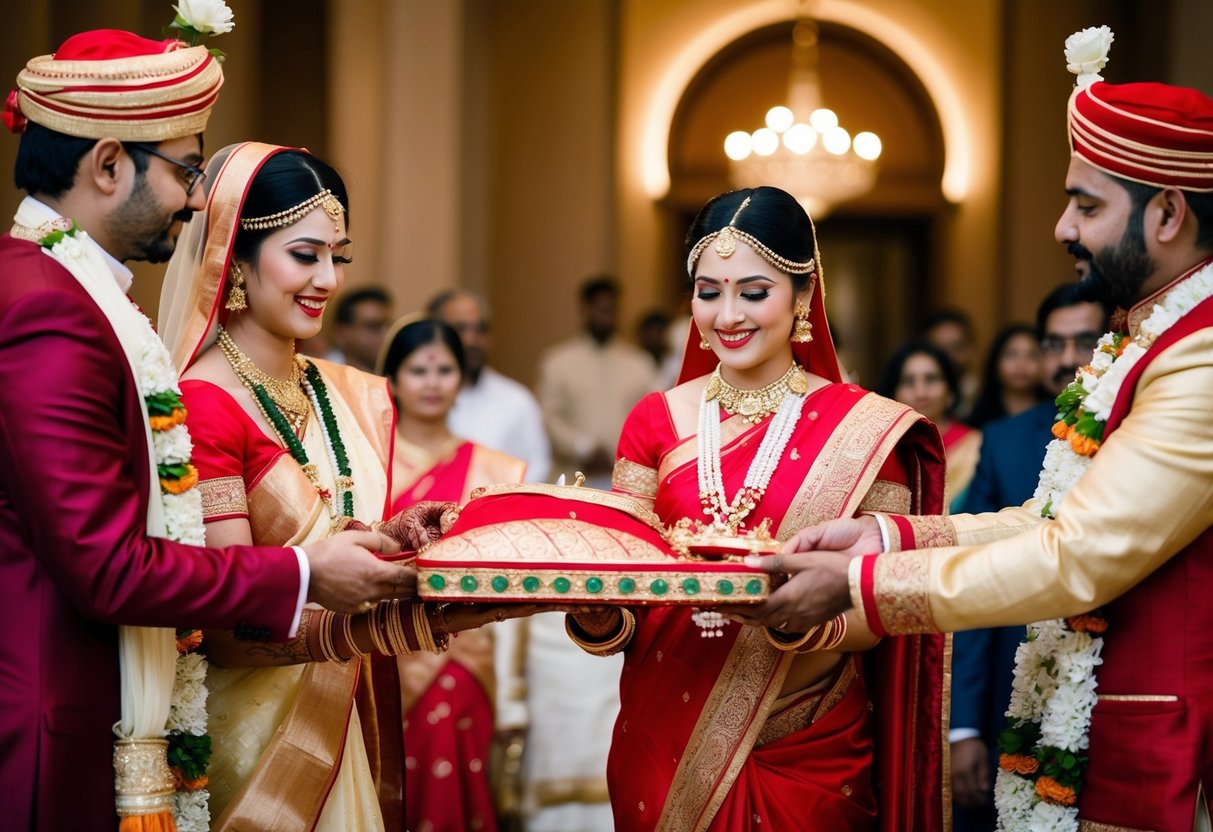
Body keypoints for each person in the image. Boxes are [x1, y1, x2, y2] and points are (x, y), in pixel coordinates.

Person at [752, 32, 1213, 830]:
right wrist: (887, 541)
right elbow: (1044, 524)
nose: (1063, 228)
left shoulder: (1200, 357)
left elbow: (1076, 557)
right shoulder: (1145, 338)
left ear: (1167, 213)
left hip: (1171, 749)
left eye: (1086, 204)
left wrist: (861, 590)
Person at [0, 28, 415, 830]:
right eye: (188, 169)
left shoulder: (79, 296)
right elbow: (105, 569)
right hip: (56, 728)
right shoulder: (49, 307)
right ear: (109, 162)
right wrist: (304, 573)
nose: (198, 199)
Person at [569, 186, 949, 830]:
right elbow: (624, 588)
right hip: (666, 740)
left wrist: (791, 615)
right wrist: (595, 605)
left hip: (811, 746)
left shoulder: (862, 429)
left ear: (803, 296)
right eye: (708, 290)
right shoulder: (654, 420)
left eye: (753, 291)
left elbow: (879, 603)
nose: (727, 315)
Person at [160, 142, 507, 830]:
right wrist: (408, 615)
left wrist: (401, 544)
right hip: (257, 753)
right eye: (305, 254)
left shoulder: (335, 389)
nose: (328, 278)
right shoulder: (204, 404)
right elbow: (224, 628)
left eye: (338, 257)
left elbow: (332, 537)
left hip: (344, 718)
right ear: (236, 254)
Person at [949, 285, 1108, 830]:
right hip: (1018, 684)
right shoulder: (1005, 442)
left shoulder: (1141, 431)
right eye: (1053, 344)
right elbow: (974, 575)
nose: (1066, 359)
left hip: (1117, 690)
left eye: (1083, 341)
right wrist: (964, 726)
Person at [379, 316, 526, 832]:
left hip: (463, 652)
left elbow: (514, 583)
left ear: (462, 378)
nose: (433, 382)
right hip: (379, 652)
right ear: (392, 380)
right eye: (419, 370)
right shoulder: (372, 465)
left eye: (445, 369)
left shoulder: (495, 470)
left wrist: (514, 690)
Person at [538, 275, 658, 487]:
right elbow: (549, 418)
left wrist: (618, 451)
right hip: (573, 479)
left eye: (610, 309)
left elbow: (652, 418)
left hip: (627, 481)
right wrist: (583, 447)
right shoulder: (557, 362)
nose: (605, 315)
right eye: (599, 308)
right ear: (584, 310)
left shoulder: (639, 363)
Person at [427, 288, 552, 482]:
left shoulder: (517, 400)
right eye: (460, 329)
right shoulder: (417, 398)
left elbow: (538, 466)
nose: (472, 340)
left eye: (481, 329)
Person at [877, 340, 981, 510]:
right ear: (892, 393)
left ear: (951, 391)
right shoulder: (882, 449)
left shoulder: (977, 446)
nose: (921, 393)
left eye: (931, 379)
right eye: (908, 381)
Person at [965, 323, 1047, 430]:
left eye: (1032, 355)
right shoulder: (976, 426)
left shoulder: (1058, 420)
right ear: (995, 362)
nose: (1021, 365)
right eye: (1012, 354)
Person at [924, 308, 980, 418]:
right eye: (939, 350)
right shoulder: (917, 395)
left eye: (957, 348)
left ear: (971, 348)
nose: (948, 357)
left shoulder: (983, 394)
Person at [330, 284, 393, 371]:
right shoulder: (322, 379)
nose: (386, 335)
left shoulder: (399, 381)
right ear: (342, 333)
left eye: (390, 326)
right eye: (373, 326)